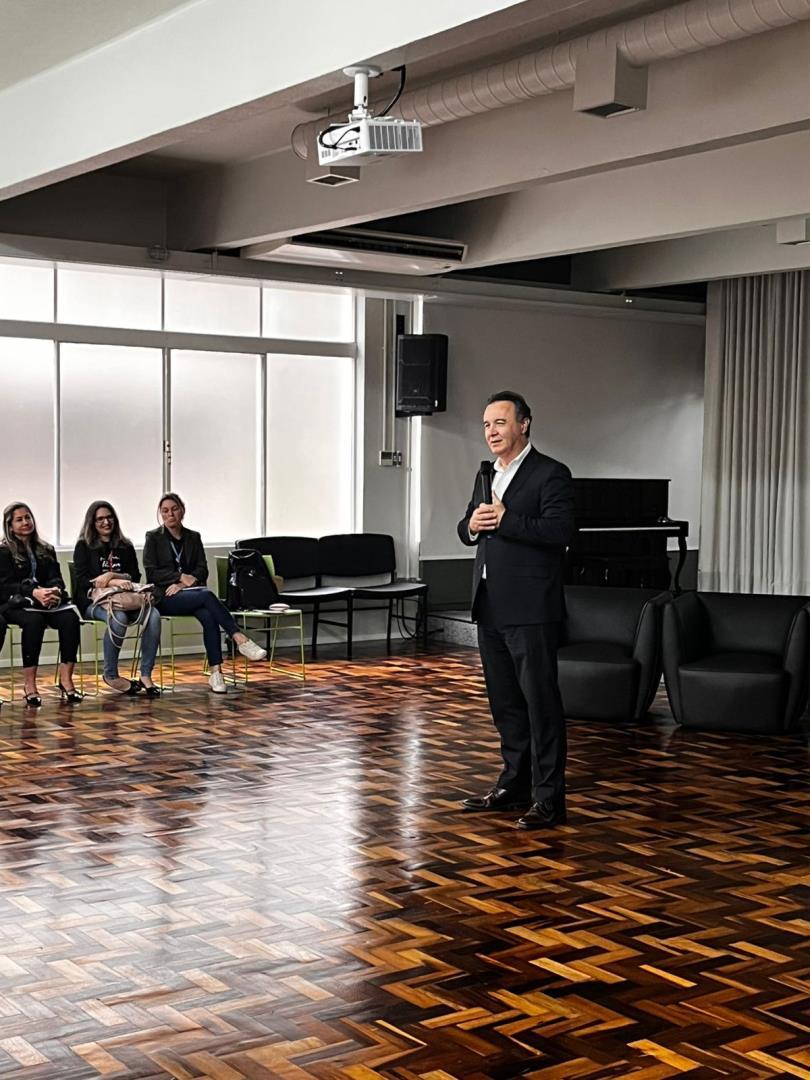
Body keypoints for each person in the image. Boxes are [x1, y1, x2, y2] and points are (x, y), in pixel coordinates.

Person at [457, 391, 575, 829]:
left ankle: (549, 799)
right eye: (486, 424)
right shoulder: (486, 473)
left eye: (500, 422)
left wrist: (508, 520)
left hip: (531, 608)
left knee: (540, 704)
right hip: (489, 604)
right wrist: (470, 526)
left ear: (524, 424)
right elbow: (467, 526)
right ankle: (514, 786)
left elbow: (561, 531)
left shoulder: (551, 473)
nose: (491, 432)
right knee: (505, 704)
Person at [143, 493, 267, 693]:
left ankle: (216, 673)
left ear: (182, 510)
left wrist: (183, 584)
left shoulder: (193, 537)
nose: (170, 514)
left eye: (174, 509)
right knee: (207, 596)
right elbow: (151, 572)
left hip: (190, 594)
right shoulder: (153, 537)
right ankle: (239, 638)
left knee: (209, 615)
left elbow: (202, 570)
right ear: (160, 514)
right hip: (164, 597)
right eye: (164, 511)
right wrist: (180, 577)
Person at [73, 501, 162, 697]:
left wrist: (113, 576)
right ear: (92, 523)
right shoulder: (83, 546)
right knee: (119, 618)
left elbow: (135, 576)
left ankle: (146, 675)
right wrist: (110, 580)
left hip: (126, 599)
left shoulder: (125, 545)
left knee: (154, 615)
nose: (106, 522)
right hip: (94, 602)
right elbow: (82, 581)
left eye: (109, 517)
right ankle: (111, 674)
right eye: (100, 519)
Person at [0, 502, 83, 707]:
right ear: (10, 526)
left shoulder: (46, 549)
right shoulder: (3, 552)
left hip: (45, 602)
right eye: (19, 519)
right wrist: (33, 592)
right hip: (16, 604)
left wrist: (54, 591)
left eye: (28, 517)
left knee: (70, 619)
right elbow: (5, 585)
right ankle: (30, 685)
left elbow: (56, 578)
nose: (25, 522)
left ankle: (66, 680)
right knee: (34, 621)